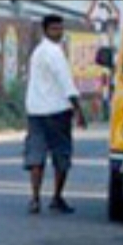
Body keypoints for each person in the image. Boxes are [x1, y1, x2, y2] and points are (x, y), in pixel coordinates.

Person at [25, 15, 88, 216]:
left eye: (60, 28)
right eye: (54, 29)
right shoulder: (55, 53)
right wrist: (78, 109)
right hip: (57, 111)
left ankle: (35, 199)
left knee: (37, 155)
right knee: (61, 155)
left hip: (35, 110)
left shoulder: (37, 52)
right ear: (45, 30)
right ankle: (56, 197)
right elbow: (66, 82)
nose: (58, 32)